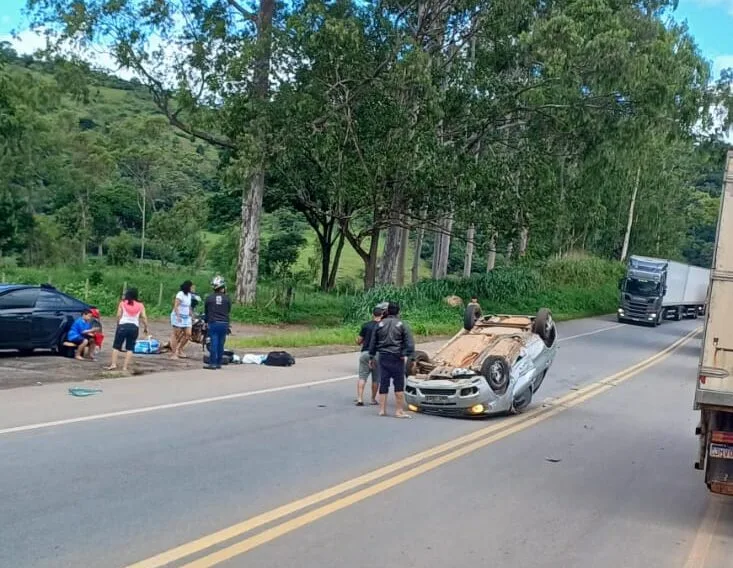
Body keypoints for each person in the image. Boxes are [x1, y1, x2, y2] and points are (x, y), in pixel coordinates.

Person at [368, 301, 415, 418]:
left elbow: (373, 342)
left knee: (383, 382)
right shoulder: (402, 324)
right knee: (398, 384)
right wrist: (406, 354)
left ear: (387, 311)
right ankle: (398, 411)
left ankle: (382, 410)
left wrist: (371, 356)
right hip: (397, 357)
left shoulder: (379, 324)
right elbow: (410, 343)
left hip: (383, 357)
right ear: (398, 312)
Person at [107, 288, 149, 372]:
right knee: (130, 348)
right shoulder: (140, 305)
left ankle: (113, 364)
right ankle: (125, 367)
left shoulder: (122, 303)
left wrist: (118, 324)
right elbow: (144, 317)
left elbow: (118, 315)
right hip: (134, 327)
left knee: (116, 346)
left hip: (123, 325)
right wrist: (146, 327)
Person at [355, 304, 385, 406]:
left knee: (362, 377)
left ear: (372, 314)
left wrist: (358, 341)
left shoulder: (366, 325)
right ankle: (372, 399)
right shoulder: (383, 326)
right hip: (377, 354)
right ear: (382, 315)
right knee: (376, 378)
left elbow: (359, 340)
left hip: (365, 353)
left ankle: (359, 398)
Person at [203, 275, 232, 370]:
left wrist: (206, 322)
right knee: (221, 343)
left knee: (214, 343)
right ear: (222, 288)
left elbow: (207, 312)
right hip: (224, 323)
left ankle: (213, 363)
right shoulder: (227, 298)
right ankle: (219, 363)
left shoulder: (209, 298)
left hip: (214, 323)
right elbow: (228, 310)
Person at [170, 280, 194, 359]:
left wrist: (191, 314)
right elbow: (176, 305)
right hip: (179, 316)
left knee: (188, 334)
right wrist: (178, 316)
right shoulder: (180, 294)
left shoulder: (189, 295)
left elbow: (189, 306)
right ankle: (173, 353)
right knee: (176, 334)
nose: (193, 288)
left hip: (186, 317)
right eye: (191, 286)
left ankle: (179, 349)